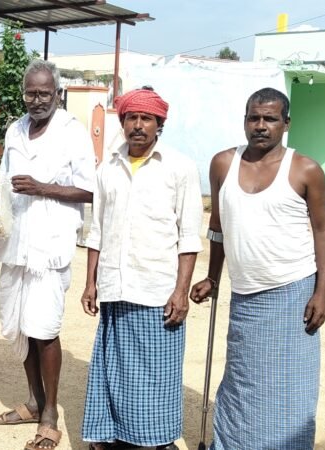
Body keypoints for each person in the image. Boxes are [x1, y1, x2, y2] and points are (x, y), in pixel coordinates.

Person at [190, 88, 325, 450]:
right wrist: (212, 277)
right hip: (245, 295)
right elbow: (218, 227)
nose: (260, 125)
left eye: (270, 119)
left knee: (289, 385)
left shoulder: (305, 169)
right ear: (244, 121)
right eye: (253, 118)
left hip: (293, 292)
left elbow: (323, 231)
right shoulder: (223, 164)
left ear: (286, 123)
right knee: (243, 382)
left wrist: (322, 291)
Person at [80, 88, 202, 450]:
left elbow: (189, 237)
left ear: (158, 124)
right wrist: (90, 282)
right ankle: (114, 434)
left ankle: (154, 440)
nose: (138, 125)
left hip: (157, 291)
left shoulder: (180, 167)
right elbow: (97, 230)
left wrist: (181, 291)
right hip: (115, 287)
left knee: (155, 374)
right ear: (122, 122)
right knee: (114, 368)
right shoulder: (107, 168)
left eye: (146, 119)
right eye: (131, 117)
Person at [0, 59, 96, 450]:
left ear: (58, 94)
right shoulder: (15, 129)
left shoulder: (72, 132)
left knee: (44, 330)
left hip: (49, 248)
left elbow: (90, 190)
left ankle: (50, 412)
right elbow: (2, 182)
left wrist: (43, 187)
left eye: (44, 93)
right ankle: (34, 400)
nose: (37, 100)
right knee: (20, 327)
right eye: (31, 93)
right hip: (14, 244)